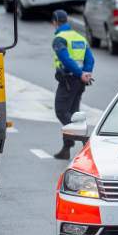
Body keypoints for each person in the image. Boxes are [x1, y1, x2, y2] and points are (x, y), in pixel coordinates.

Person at [51, 9, 94, 160]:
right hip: (80, 82)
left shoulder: (59, 39)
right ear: (67, 21)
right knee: (74, 114)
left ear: (55, 23)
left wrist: (80, 74)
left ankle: (85, 140)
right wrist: (86, 73)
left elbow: (66, 59)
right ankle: (66, 148)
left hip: (69, 80)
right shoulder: (79, 37)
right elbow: (90, 59)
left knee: (61, 111)